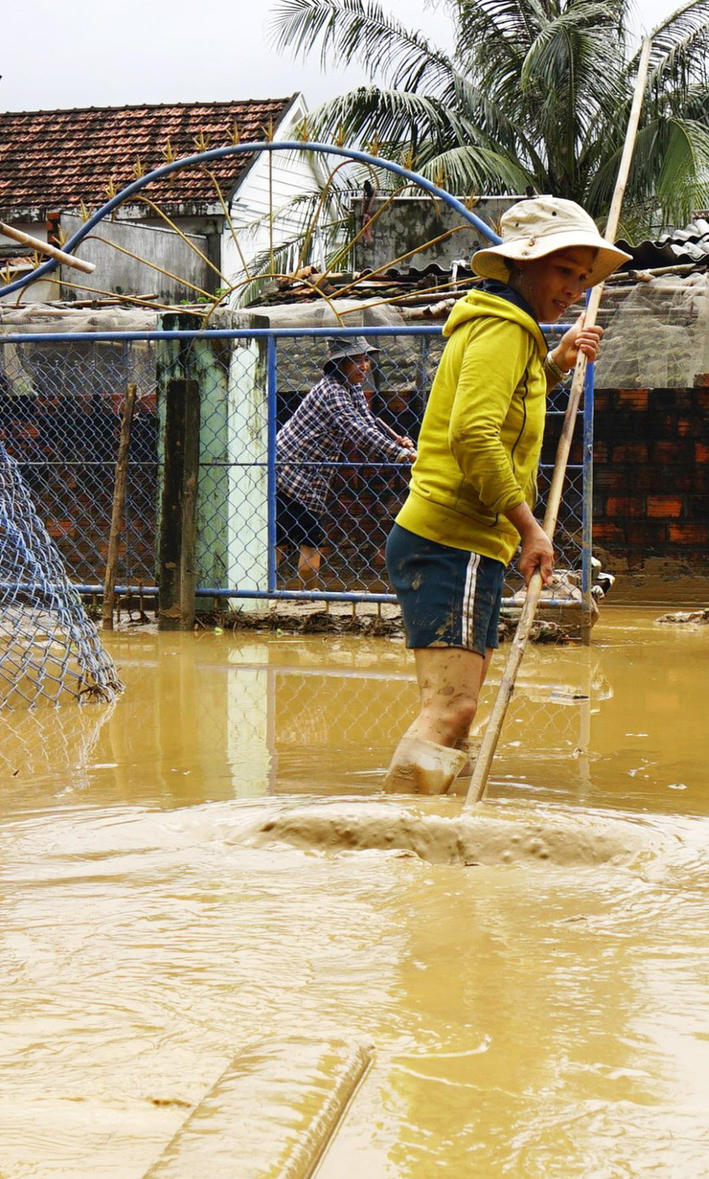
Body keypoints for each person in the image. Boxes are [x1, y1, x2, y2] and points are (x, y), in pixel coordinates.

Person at [382, 197, 625, 794]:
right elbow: (473, 434)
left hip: (467, 543)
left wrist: (556, 364)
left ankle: (422, 838)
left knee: (456, 711)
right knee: (451, 711)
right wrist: (529, 526)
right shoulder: (501, 327)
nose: (572, 288)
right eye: (563, 270)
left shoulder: (511, 332)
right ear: (523, 266)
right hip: (451, 540)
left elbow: (508, 405)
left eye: (580, 276)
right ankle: (394, 836)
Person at [274, 338, 415, 589]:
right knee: (288, 538)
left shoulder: (351, 389)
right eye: (356, 361)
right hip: (288, 470)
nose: (364, 366)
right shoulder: (332, 391)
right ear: (339, 364)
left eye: (365, 360)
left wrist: (398, 444)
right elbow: (356, 429)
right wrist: (400, 455)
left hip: (312, 476)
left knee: (305, 537)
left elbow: (368, 423)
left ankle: (302, 594)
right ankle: (275, 593)